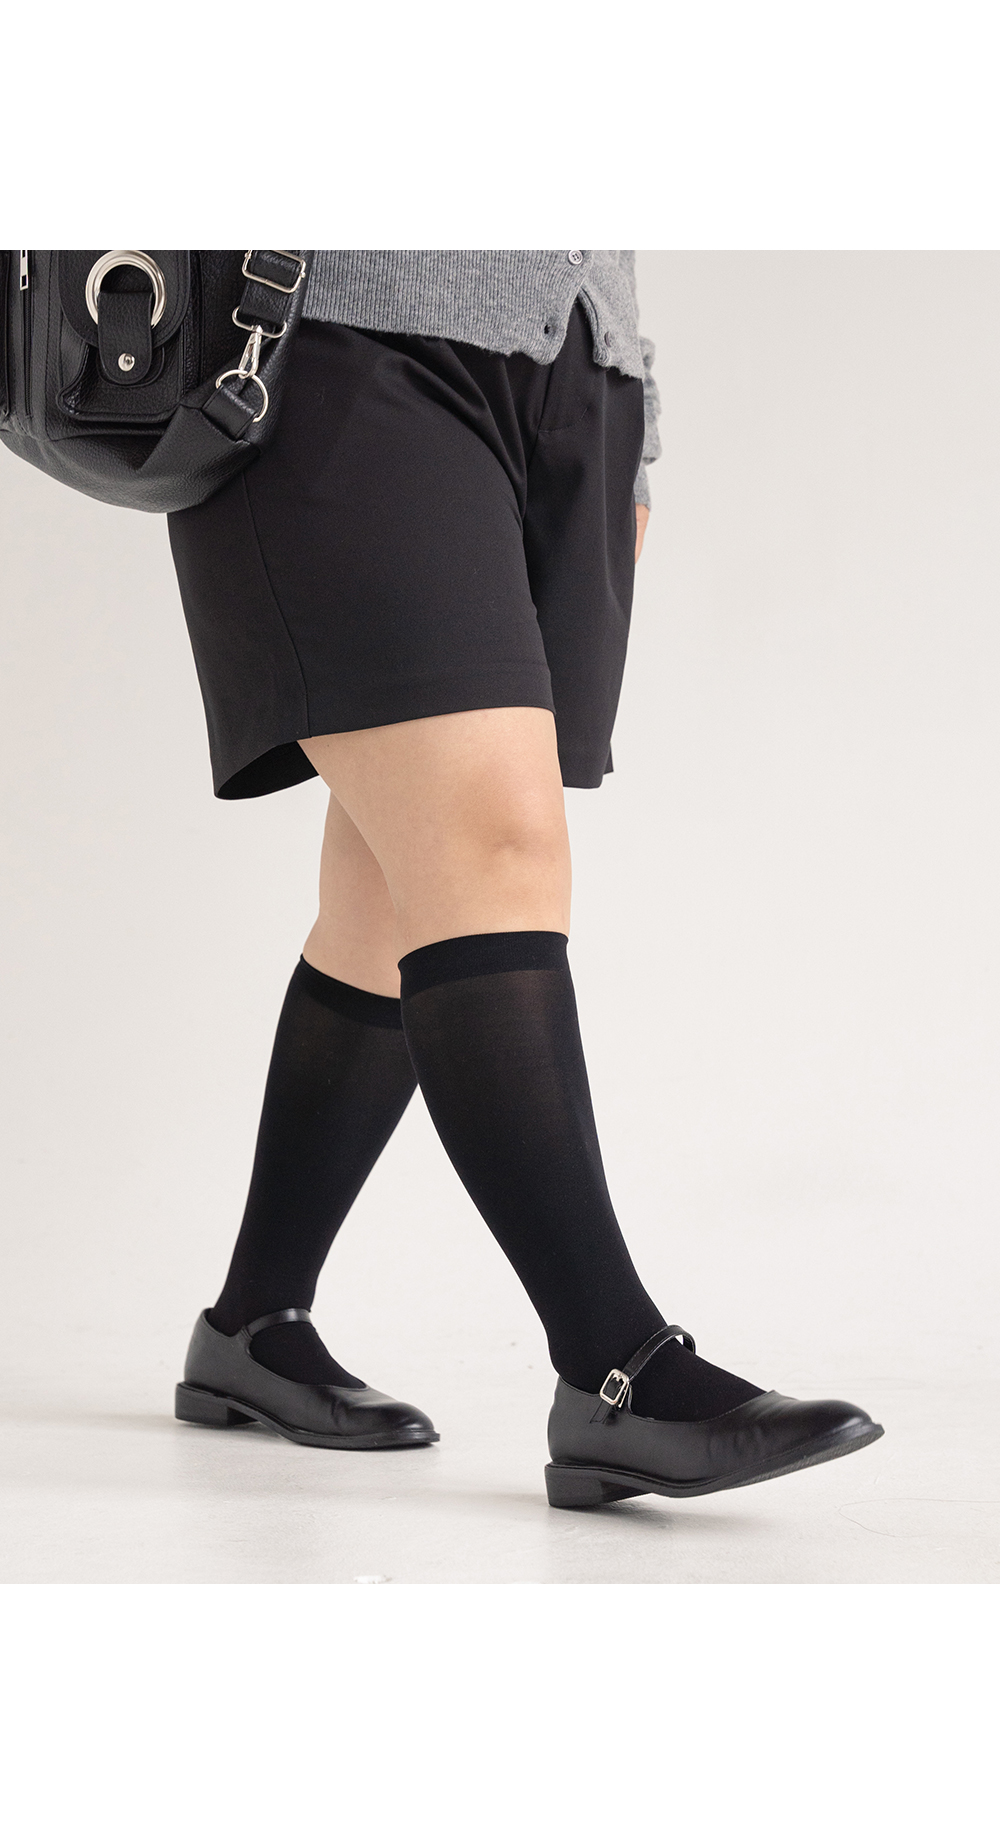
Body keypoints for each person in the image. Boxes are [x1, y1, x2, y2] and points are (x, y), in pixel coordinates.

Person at [166, 250, 882, 1509]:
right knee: (490, 848)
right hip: (332, 342)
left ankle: (250, 1324)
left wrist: (626, 405)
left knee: (391, 886)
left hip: (574, 368)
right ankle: (614, 1366)